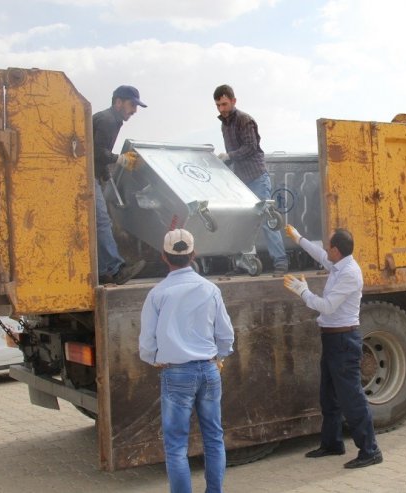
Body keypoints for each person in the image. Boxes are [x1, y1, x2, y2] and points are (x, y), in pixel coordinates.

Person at [139, 228, 234, 493]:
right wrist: (220, 356)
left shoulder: (157, 294)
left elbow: (147, 344)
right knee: (214, 438)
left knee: (177, 447)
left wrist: (156, 359)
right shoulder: (210, 289)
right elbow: (225, 334)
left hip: (177, 374)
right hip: (209, 370)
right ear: (194, 255)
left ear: (163, 257)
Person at [282, 225, 383, 469]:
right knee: (328, 396)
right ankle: (332, 443)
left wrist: (302, 291)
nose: (326, 250)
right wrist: (299, 239)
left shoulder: (350, 273)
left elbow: (327, 306)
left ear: (336, 250)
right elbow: (319, 255)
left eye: (329, 246)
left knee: (352, 398)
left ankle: (370, 450)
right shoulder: (339, 266)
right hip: (332, 339)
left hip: (344, 341)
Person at [213, 84, 288, 276]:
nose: (222, 109)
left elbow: (251, 148)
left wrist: (228, 156)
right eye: (218, 105)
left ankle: (280, 261)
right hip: (240, 181)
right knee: (242, 222)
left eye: (224, 104)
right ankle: (244, 263)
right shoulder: (224, 124)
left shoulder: (245, 120)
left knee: (267, 219)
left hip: (256, 177)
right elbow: (235, 154)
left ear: (233, 101)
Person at [93, 85, 147, 284]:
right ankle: (115, 270)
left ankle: (101, 270)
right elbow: (95, 151)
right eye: (132, 105)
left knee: (98, 223)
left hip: (92, 175)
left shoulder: (111, 120)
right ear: (118, 102)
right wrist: (120, 159)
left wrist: (105, 174)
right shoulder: (108, 120)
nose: (134, 110)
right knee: (101, 221)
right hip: (85, 177)